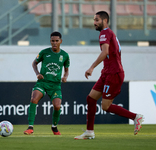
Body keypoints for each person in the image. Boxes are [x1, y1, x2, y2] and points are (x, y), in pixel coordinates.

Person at [74, 11, 144, 140]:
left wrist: (92, 67)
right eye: (94, 20)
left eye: (97, 20)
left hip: (113, 73)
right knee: (91, 98)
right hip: (107, 72)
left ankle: (135, 117)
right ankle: (89, 132)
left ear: (105, 20)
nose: (94, 23)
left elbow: (105, 52)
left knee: (105, 106)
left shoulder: (105, 33)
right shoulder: (110, 33)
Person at [24, 31, 70, 135]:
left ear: (60, 41)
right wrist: (37, 73)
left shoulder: (65, 55)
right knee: (34, 99)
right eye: (52, 41)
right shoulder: (44, 52)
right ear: (50, 41)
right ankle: (30, 127)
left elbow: (66, 70)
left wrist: (65, 77)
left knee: (57, 106)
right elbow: (34, 63)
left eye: (56, 41)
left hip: (55, 85)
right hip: (42, 83)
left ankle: (54, 127)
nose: (54, 43)